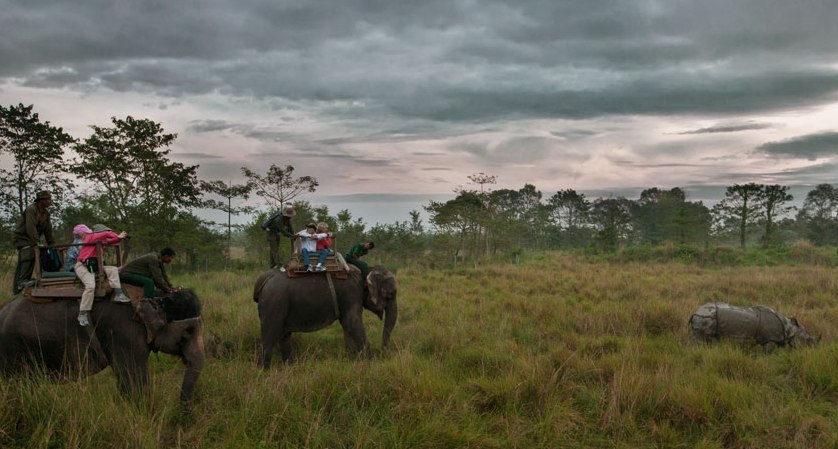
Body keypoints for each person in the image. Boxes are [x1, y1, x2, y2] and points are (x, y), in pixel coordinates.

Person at [74, 224, 131, 326]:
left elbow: (112, 240)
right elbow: (106, 234)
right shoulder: (90, 237)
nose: (81, 237)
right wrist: (118, 235)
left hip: (95, 266)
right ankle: (82, 313)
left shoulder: (98, 241)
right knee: (90, 286)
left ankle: (119, 294)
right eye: (79, 235)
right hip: (82, 266)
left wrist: (119, 238)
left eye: (80, 235)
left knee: (113, 269)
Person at [12, 191, 56, 293]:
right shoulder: (31, 209)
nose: (50, 201)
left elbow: (48, 230)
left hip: (32, 239)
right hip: (22, 238)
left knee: (43, 253)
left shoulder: (46, 213)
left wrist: (52, 244)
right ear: (41, 200)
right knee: (30, 252)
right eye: (48, 199)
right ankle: (21, 281)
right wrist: (37, 242)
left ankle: (34, 278)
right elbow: (30, 227)